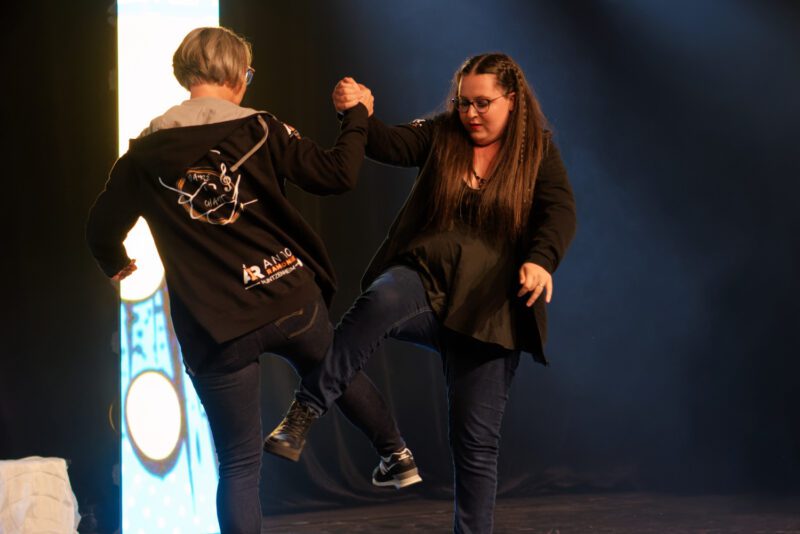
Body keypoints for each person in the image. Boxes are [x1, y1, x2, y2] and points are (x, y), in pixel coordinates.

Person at [86, 26, 419, 534]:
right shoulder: (262, 129)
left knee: (239, 465)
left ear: (185, 74)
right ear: (239, 75)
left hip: (215, 325)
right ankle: (395, 453)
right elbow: (337, 175)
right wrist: (356, 117)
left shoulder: (143, 155)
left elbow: (100, 228)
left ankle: (393, 453)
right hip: (287, 298)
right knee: (336, 367)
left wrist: (115, 262)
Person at [264, 53, 577, 533]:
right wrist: (357, 111)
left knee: (475, 443)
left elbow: (559, 211)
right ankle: (305, 410)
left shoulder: (537, 151)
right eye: (463, 103)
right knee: (380, 301)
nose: (470, 113)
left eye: (482, 103)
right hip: (426, 283)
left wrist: (541, 260)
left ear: (512, 100)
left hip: (488, 312)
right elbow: (387, 143)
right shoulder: (442, 134)